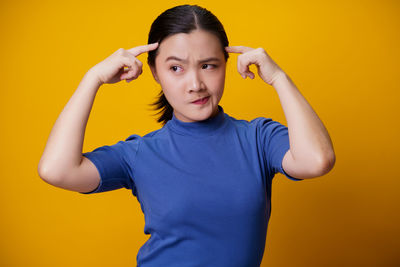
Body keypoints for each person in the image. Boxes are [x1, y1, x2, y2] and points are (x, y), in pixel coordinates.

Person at [38, 4, 335, 267]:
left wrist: (279, 78)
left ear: (225, 66)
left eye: (208, 66)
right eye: (176, 68)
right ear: (155, 72)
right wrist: (93, 78)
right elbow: (56, 170)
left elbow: (316, 160)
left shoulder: (259, 138)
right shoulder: (140, 153)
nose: (195, 84)